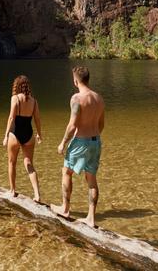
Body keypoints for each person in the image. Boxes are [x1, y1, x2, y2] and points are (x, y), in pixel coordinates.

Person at [51, 66, 105, 227]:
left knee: (66, 172)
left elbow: (72, 125)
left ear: (75, 80)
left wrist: (63, 143)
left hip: (81, 141)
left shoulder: (76, 99)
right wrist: (92, 137)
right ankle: (91, 218)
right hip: (96, 141)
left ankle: (65, 208)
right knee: (91, 179)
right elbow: (101, 124)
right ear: (88, 79)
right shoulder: (99, 98)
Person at [2, 75, 43, 201]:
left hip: (15, 134)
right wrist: (39, 134)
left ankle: (12, 191)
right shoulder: (34, 101)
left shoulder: (15, 99)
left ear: (17, 86)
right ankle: (37, 195)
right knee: (29, 163)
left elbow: (11, 118)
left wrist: (5, 136)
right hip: (29, 134)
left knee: (11, 162)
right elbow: (37, 119)